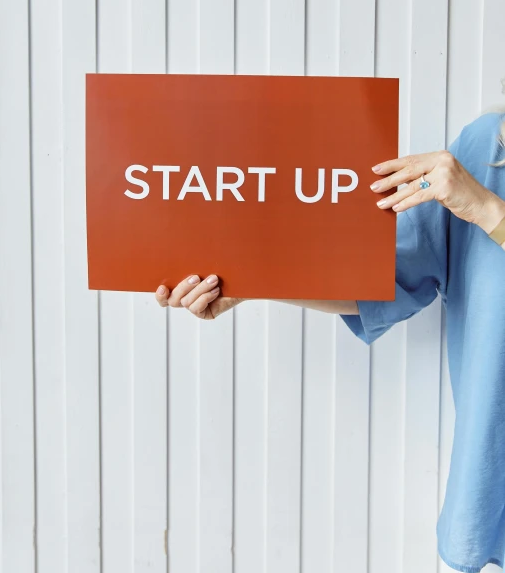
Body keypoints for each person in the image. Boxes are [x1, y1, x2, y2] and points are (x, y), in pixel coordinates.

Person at [155, 108, 505, 573]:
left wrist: (490, 213)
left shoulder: (480, 186)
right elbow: (378, 281)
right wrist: (248, 279)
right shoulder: (486, 149)